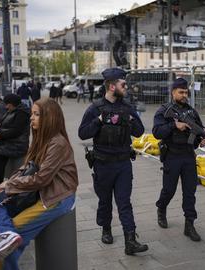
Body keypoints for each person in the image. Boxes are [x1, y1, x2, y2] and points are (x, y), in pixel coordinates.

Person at [0, 98, 78, 269]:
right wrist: (10, 182)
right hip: (37, 191)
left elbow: (42, 178)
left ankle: (5, 239)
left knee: (11, 236)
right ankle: (5, 237)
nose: (31, 118)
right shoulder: (40, 139)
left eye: (37, 114)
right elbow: (27, 166)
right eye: (32, 114)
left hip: (55, 197)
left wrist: (12, 186)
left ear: (49, 118)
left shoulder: (57, 143)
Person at [78, 68, 148, 255]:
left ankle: (130, 240)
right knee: (105, 200)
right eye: (123, 84)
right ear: (111, 86)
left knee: (124, 201)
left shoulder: (127, 107)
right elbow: (82, 133)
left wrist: (131, 119)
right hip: (103, 164)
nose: (126, 87)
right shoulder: (95, 108)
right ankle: (106, 228)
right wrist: (99, 120)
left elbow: (140, 132)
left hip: (123, 164)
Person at [152, 78, 205, 242]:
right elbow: (156, 132)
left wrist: (201, 141)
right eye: (181, 92)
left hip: (189, 156)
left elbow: (197, 134)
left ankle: (189, 224)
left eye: (186, 92)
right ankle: (161, 208)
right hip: (172, 156)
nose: (184, 95)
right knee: (169, 190)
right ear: (173, 92)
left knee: (190, 192)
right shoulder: (164, 111)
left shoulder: (192, 112)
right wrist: (174, 126)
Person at [0, 94, 30, 194]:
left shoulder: (22, 113)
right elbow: (2, 120)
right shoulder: (12, 110)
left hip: (17, 144)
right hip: (9, 141)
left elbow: (16, 131)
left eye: (7, 105)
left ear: (12, 104)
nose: (6, 107)